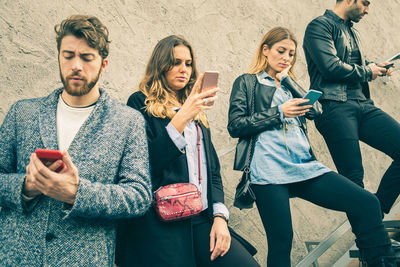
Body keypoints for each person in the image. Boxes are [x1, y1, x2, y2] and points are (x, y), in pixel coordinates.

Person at [228, 27, 395, 266]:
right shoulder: (247, 82)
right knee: (281, 240)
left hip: (304, 167)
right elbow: (235, 125)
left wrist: (287, 79)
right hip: (268, 171)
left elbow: (316, 111)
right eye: (281, 51)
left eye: (291, 54)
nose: (286, 58)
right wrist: (279, 112)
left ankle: (379, 262)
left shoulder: (288, 84)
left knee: (367, 202)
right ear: (265, 50)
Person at [0, 15, 152, 266]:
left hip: (83, 259)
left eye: (86, 57)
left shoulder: (128, 121)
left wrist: (77, 193)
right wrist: (26, 187)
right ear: (59, 57)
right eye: (68, 55)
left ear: (103, 63)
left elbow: (139, 196)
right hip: (18, 257)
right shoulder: (22, 113)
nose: (76, 65)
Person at [116, 35, 259, 267]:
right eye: (175, 62)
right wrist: (183, 116)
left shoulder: (198, 112)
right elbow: (144, 164)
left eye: (188, 63)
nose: (184, 69)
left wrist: (220, 218)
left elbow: (212, 171)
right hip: (160, 221)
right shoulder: (140, 102)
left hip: (201, 218)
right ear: (160, 65)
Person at [303, 0, 400, 217]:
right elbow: (330, 67)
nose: (367, 10)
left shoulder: (352, 31)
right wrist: (368, 71)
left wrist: (378, 67)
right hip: (334, 106)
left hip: (363, 105)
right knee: (353, 178)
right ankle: (371, 244)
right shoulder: (319, 26)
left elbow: (351, 63)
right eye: (365, 3)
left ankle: (376, 207)